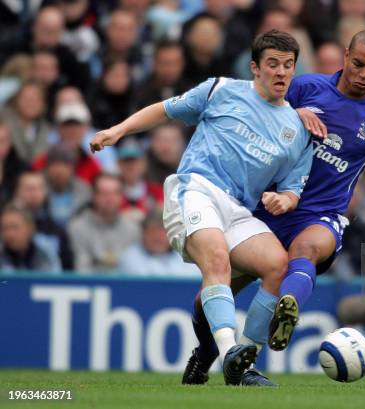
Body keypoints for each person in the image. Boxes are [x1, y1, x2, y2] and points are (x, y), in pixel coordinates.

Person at [185, 30, 365, 385]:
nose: (364, 74)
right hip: (268, 208)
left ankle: (282, 313)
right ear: (346, 56)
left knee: (304, 250)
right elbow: (261, 104)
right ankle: (207, 352)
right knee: (210, 293)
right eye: (359, 64)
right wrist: (294, 110)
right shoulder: (306, 87)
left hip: (323, 214)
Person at [89, 30, 312, 386]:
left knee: (276, 265)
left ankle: (245, 361)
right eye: (273, 64)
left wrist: (283, 199)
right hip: (196, 189)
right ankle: (228, 353)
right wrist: (118, 130)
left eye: (288, 65)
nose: (281, 72)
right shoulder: (221, 90)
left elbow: (292, 190)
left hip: (238, 208)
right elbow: (165, 110)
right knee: (217, 260)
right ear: (255, 68)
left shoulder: (299, 130)